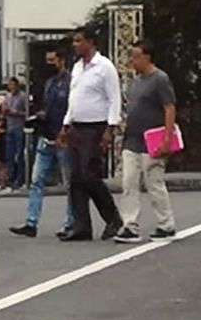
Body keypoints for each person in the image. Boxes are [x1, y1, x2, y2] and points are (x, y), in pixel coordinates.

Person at [57, 27, 124, 242]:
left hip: (95, 127)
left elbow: (114, 99)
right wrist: (66, 124)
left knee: (90, 175)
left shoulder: (104, 67)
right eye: (74, 41)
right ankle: (81, 226)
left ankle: (113, 218)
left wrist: (109, 129)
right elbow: (74, 98)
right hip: (76, 126)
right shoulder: (77, 67)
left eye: (79, 41)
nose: (75, 45)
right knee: (75, 178)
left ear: (91, 42)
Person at [114, 39, 179, 243]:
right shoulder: (136, 82)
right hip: (132, 138)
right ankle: (129, 225)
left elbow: (169, 107)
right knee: (129, 182)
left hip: (152, 139)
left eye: (136, 56)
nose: (132, 61)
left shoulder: (160, 79)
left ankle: (166, 224)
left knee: (154, 182)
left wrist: (167, 138)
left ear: (147, 57)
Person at [10, 48, 74, 238]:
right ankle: (31, 222)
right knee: (36, 180)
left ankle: (70, 223)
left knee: (70, 183)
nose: (49, 65)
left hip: (63, 137)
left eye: (52, 60)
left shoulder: (71, 82)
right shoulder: (49, 83)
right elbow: (45, 106)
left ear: (61, 60)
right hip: (45, 137)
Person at [2, 77, 28, 189]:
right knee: (9, 155)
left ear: (17, 86)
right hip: (10, 128)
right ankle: (11, 178)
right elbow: (3, 110)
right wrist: (4, 110)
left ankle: (20, 178)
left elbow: (27, 113)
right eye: (10, 85)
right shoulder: (7, 97)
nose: (12, 87)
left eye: (14, 85)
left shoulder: (22, 97)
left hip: (19, 128)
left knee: (19, 155)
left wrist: (15, 112)